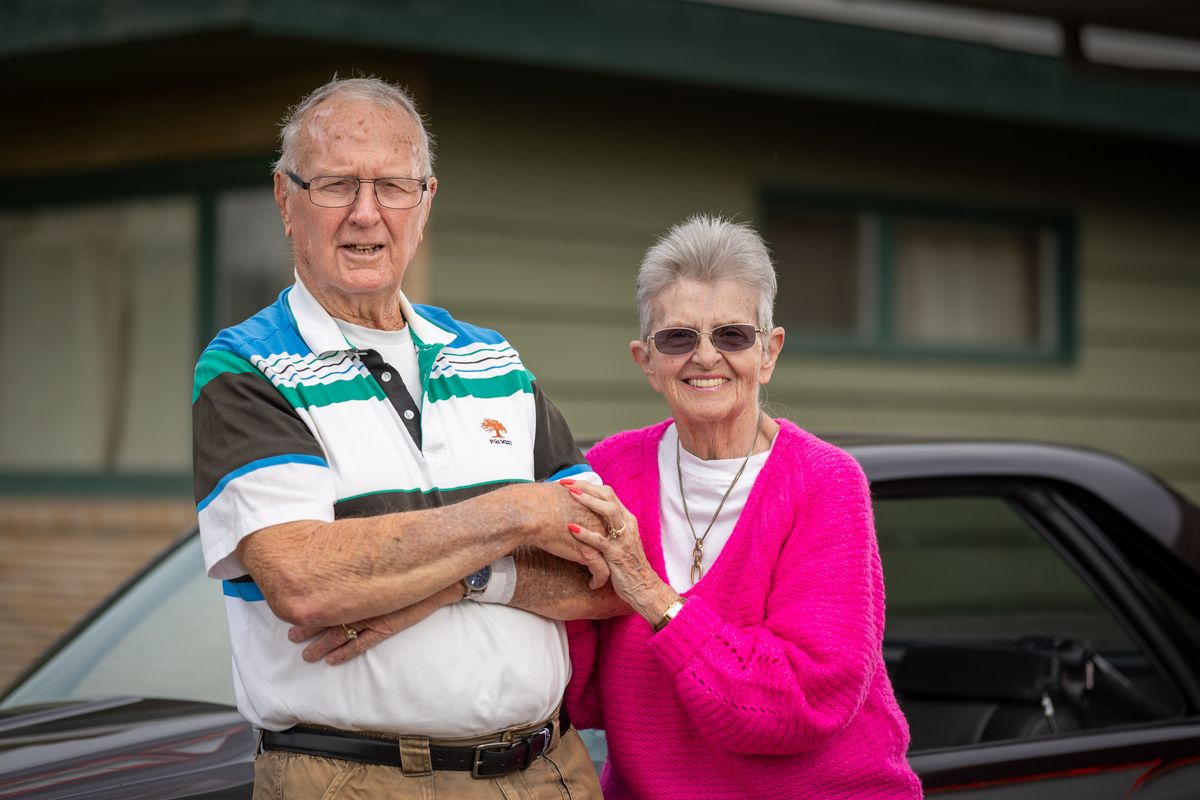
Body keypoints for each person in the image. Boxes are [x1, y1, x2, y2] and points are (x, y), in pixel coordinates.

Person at [191, 76, 617, 799]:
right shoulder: (248, 366)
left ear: (426, 203)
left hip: (549, 772)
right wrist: (516, 513)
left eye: (393, 185)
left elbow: (604, 572)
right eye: (336, 185)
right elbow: (307, 582)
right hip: (360, 779)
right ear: (284, 199)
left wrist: (465, 577)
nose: (367, 213)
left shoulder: (494, 360)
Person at [560, 215, 923, 799]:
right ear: (646, 361)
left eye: (732, 335)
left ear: (769, 352)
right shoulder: (610, 472)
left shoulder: (824, 483)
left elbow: (801, 703)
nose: (706, 357)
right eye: (678, 338)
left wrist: (651, 596)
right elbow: (578, 689)